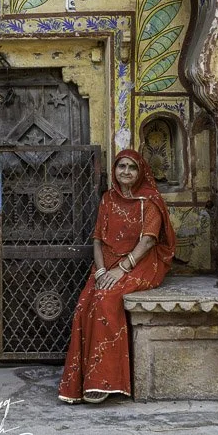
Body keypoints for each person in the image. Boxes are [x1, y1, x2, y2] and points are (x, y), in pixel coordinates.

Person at [58, 149, 176, 404]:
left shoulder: (150, 201)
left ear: (140, 172)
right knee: (83, 304)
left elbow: (148, 241)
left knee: (105, 300)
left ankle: (104, 382)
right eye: (122, 166)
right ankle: (83, 381)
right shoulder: (108, 198)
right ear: (115, 170)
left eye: (132, 167)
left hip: (141, 263)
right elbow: (98, 240)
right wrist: (101, 270)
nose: (126, 172)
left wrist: (121, 269)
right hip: (108, 263)